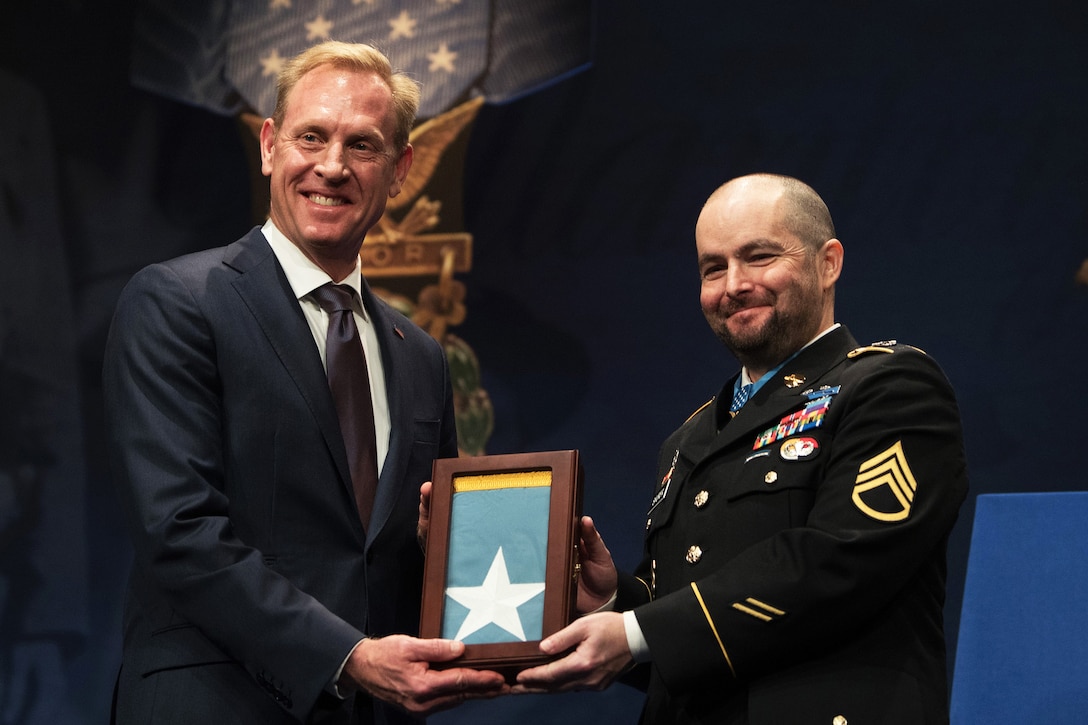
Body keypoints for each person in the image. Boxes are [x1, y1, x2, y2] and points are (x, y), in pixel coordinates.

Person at [103, 41, 506, 724]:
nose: (332, 166)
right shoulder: (177, 301)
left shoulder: (422, 358)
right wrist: (348, 655)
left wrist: (535, 584)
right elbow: (179, 528)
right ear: (268, 146)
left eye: (363, 145)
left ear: (402, 169)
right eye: (311, 136)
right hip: (215, 704)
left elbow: (407, 552)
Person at [515, 173, 969, 724]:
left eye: (759, 257)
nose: (733, 284)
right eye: (713, 267)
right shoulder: (690, 438)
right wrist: (615, 605)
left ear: (829, 263)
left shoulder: (890, 388)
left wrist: (635, 632)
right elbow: (683, 649)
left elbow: (840, 562)